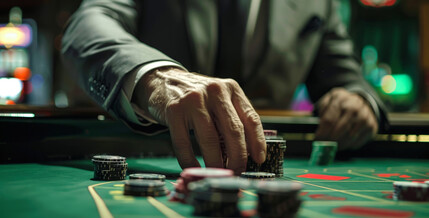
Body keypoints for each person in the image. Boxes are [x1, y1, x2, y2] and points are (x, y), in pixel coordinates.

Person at [61, 0, 388, 175]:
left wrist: (359, 99)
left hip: (262, 167)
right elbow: (86, 27)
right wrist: (157, 76)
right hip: (155, 152)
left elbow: (344, 76)